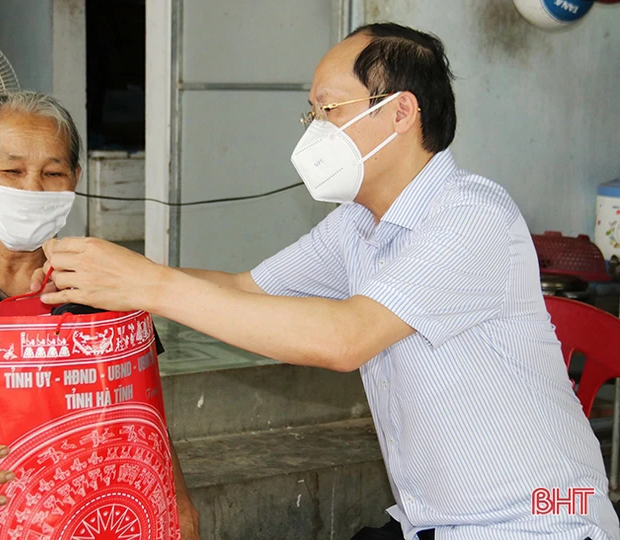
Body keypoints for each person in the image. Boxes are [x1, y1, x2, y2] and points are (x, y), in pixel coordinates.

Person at [33, 23, 620, 540]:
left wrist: (151, 287)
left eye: (330, 109)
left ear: (400, 112)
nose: (315, 129)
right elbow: (248, 289)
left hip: (536, 520)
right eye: (311, 113)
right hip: (432, 521)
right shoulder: (356, 226)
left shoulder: (471, 216)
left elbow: (346, 338)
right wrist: (112, 273)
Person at [0, 91, 199, 539]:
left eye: (52, 173)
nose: (32, 188)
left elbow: (142, 410)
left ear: (74, 178)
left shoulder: (104, 277)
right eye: (11, 170)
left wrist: (180, 505)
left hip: (92, 506)